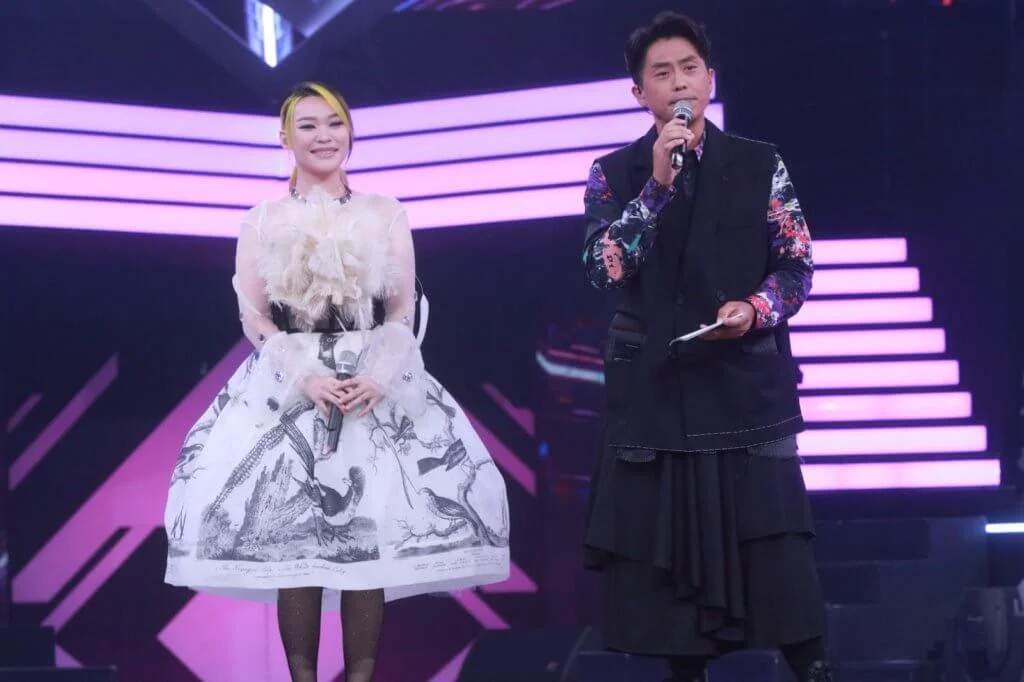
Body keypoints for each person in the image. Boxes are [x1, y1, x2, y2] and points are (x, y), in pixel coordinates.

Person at [164, 82, 510, 682]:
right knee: (297, 545)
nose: (324, 136)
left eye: (335, 124)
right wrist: (306, 375)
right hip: (291, 385)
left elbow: (402, 310)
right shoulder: (261, 220)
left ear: (350, 132)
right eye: (309, 126)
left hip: (374, 383)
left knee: (367, 543)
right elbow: (255, 317)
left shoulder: (385, 211)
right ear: (285, 138)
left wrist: (379, 376)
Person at [580, 13, 832, 682]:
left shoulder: (759, 163)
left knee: (780, 566)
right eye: (661, 74)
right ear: (640, 93)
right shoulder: (612, 173)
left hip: (745, 386)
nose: (679, 83)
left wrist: (754, 309)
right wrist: (657, 187)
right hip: (656, 396)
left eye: (689, 69)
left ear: (710, 80)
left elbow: (797, 266)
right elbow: (604, 268)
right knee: (673, 595)